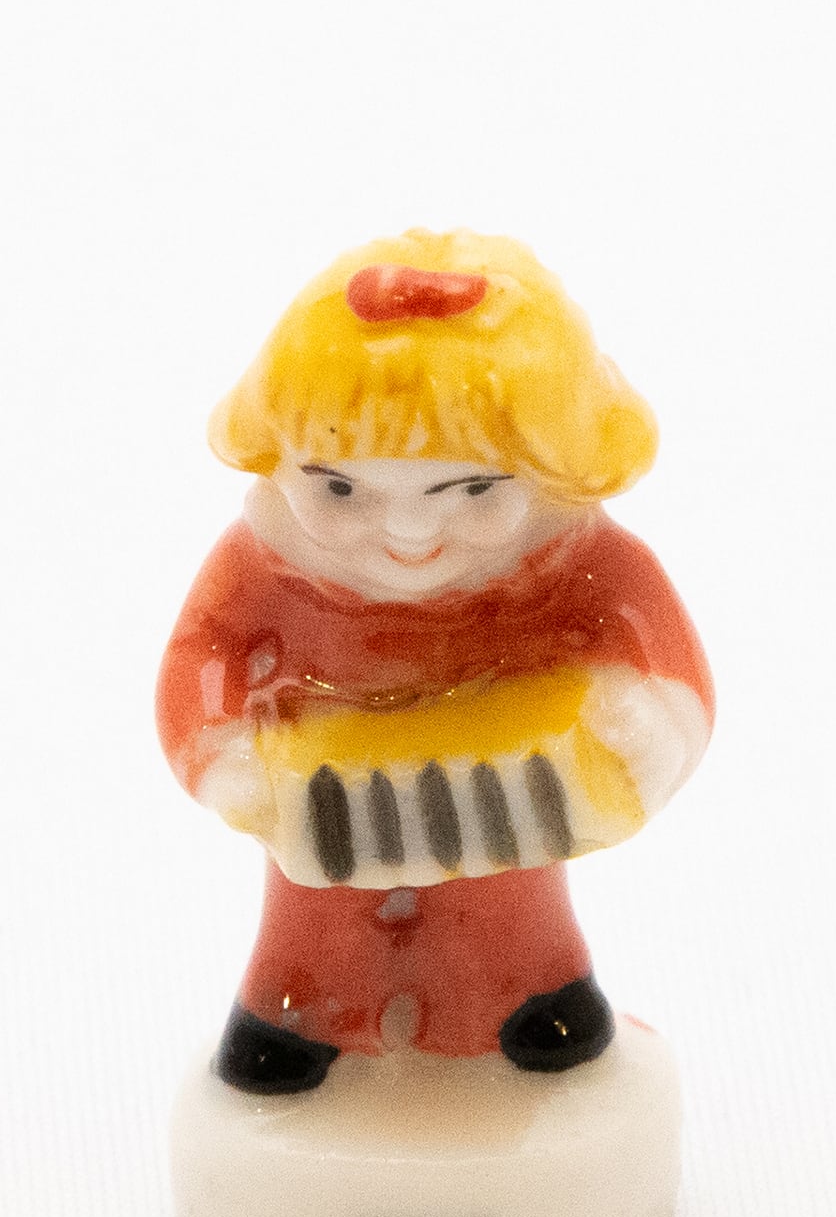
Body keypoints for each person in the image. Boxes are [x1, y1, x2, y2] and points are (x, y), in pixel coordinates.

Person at [157, 229, 712, 1092]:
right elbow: (202, 660)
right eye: (340, 489)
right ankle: (301, 1009)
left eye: (474, 490)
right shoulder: (264, 566)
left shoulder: (581, 563)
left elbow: (662, 657)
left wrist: (650, 722)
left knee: (504, 900)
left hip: (514, 788)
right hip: (321, 788)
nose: (409, 533)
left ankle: (521, 994)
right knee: (317, 907)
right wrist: (218, 753)